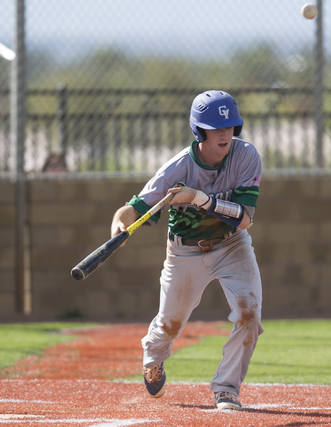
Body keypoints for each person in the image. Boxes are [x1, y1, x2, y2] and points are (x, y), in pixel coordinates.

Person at [109, 90, 263, 411]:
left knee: (249, 315)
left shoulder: (246, 156)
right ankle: (153, 354)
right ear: (199, 131)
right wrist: (119, 225)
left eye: (230, 127)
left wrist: (197, 198)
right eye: (215, 128)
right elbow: (135, 207)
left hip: (232, 244)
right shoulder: (176, 169)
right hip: (185, 252)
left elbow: (245, 218)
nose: (224, 134)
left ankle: (226, 389)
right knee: (170, 323)